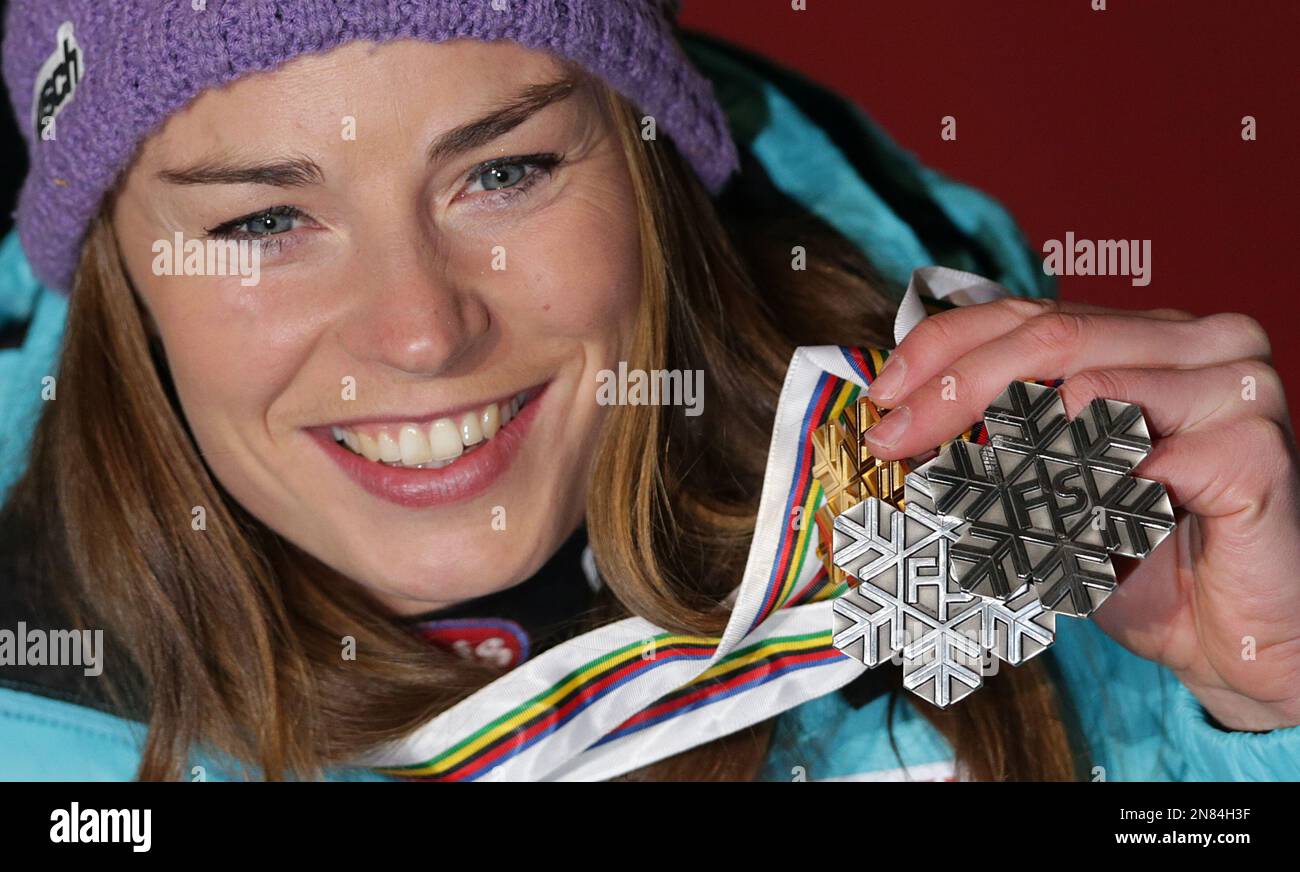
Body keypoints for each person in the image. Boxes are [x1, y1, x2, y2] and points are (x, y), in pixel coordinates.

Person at [0, 0, 1296, 782]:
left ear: (651, 170)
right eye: (265, 219)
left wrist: (1262, 704)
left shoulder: (957, 450)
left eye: (503, 172)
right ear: (123, 281)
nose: (420, 333)